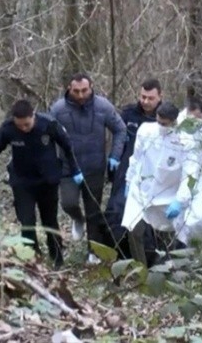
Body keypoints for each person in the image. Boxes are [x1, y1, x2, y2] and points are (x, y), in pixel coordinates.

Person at [0, 100, 83, 270]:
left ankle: (57, 257)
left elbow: (67, 146)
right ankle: (33, 258)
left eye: (27, 124)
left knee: (50, 221)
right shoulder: (8, 129)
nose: (24, 128)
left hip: (47, 181)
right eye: (20, 125)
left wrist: (75, 170)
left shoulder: (49, 125)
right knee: (27, 221)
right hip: (22, 182)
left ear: (33, 116)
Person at [122, 102, 202, 264]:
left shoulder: (187, 141)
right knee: (133, 227)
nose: (161, 126)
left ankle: (175, 267)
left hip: (171, 192)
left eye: (164, 124)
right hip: (143, 188)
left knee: (183, 228)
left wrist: (180, 200)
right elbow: (136, 158)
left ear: (174, 121)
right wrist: (129, 180)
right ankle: (141, 267)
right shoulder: (146, 131)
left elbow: (190, 174)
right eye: (158, 122)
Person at [49, 73, 126, 264]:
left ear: (91, 87)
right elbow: (47, 134)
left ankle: (93, 252)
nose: (81, 95)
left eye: (84, 90)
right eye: (76, 91)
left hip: (95, 167)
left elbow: (120, 129)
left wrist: (115, 156)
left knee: (94, 211)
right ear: (69, 88)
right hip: (68, 167)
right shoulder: (58, 110)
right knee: (68, 203)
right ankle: (77, 218)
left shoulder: (103, 106)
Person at [103, 78, 162, 265]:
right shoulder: (129, 113)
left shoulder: (165, 117)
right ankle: (118, 253)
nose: (145, 101)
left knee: (148, 216)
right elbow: (119, 137)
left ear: (160, 97)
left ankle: (149, 255)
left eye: (150, 98)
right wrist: (113, 157)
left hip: (153, 173)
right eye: (143, 97)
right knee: (117, 210)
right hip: (126, 170)